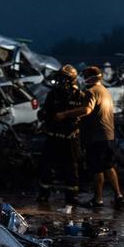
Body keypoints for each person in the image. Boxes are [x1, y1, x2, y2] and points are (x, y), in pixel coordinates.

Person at [63, 65, 124, 207]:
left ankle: (98, 199)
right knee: (109, 166)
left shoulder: (91, 92)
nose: (83, 79)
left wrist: (65, 114)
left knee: (96, 168)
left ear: (89, 77)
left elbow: (87, 109)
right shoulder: (105, 91)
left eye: (85, 76)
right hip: (109, 135)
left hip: (96, 137)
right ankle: (119, 195)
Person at [36, 64, 89, 204]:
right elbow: (45, 111)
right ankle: (43, 194)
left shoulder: (79, 95)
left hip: (70, 138)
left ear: (71, 80)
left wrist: (66, 116)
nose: (60, 81)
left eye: (64, 78)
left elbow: (84, 112)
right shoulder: (52, 94)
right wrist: (42, 114)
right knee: (47, 167)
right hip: (53, 137)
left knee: (71, 168)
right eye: (60, 78)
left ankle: (72, 197)